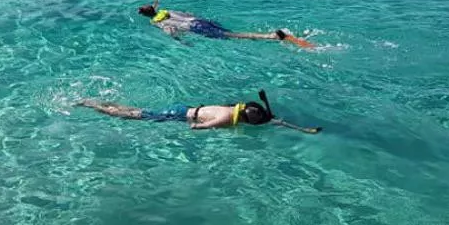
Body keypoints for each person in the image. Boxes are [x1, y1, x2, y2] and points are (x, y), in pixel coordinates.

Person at [77, 90, 321, 133]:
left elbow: (271, 119)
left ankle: (104, 102)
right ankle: (94, 106)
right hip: (180, 116)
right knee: (134, 117)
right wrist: (202, 128)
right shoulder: (226, 120)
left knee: (140, 111)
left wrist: (297, 128)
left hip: (184, 107)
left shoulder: (231, 110)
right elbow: (197, 127)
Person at [137, 1, 313, 47]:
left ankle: (272, 36)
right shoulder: (166, 10)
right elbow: (188, 14)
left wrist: (180, 41)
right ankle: (273, 36)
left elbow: (170, 30)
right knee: (229, 32)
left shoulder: (156, 21)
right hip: (198, 20)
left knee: (235, 36)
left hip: (193, 27)